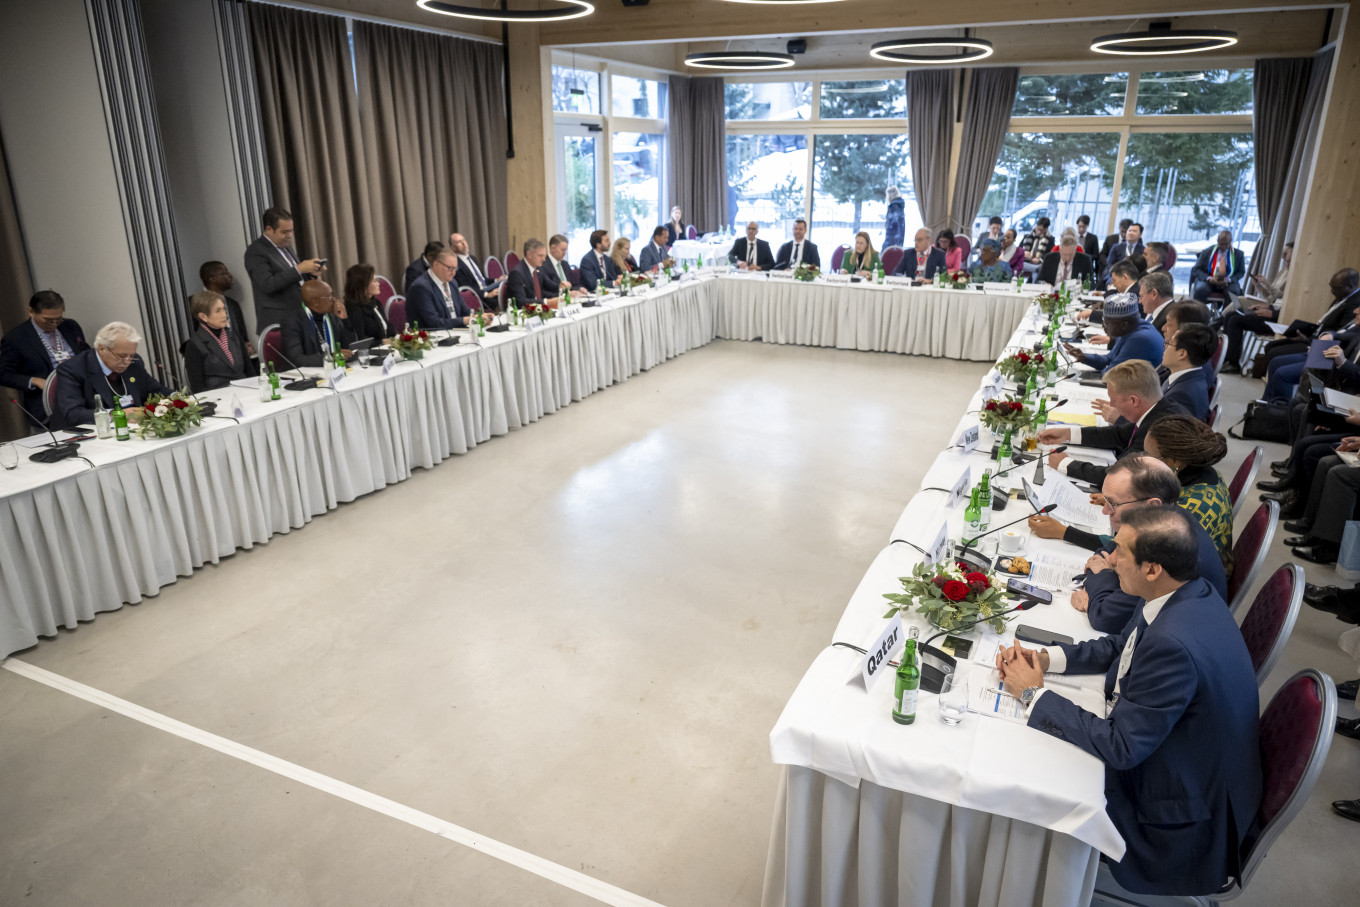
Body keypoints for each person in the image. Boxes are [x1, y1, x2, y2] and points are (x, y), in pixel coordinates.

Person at [998, 505, 1260, 897]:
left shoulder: (1175, 644)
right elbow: (1122, 647)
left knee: (1020, 785)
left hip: (1176, 826)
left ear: (1152, 567)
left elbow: (1122, 747)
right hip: (1182, 764)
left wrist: (1033, 693)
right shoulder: (1182, 590)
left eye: (1119, 551)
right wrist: (1045, 659)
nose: (1109, 560)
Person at [1028, 456, 1228, 629]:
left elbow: (1105, 617)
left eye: (1112, 503)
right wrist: (1102, 575)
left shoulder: (1163, 545)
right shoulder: (1158, 519)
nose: (1105, 511)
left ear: (1151, 505)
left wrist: (1103, 575)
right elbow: (1101, 555)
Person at [1040, 359, 1185, 486]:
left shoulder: (1158, 431)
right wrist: (1068, 434)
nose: (1111, 404)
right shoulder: (1160, 408)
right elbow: (1119, 434)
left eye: (1113, 400)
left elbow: (1121, 477)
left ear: (1133, 400)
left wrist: (1066, 464)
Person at [1144, 415, 1235, 572]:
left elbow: (1149, 556)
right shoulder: (1202, 472)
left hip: (1193, 581)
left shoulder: (1193, 509)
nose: (1143, 461)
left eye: (1149, 456)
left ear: (1176, 462)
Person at [1239, 267, 1360, 377]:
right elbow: (1326, 324)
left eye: (1336, 288)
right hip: (1313, 336)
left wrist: (1308, 340)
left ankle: (1279, 393)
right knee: (1270, 346)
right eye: (1331, 287)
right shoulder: (1342, 296)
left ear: (1350, 286)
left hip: (1321, 346)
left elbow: (1339, 334)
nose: (1332, 291)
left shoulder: (1354, 304)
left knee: (1275, 355)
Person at [51, 321, 170, 430]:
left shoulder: (135, 362)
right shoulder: (73, 369)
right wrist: (115, 414)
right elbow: (73, 414)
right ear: (102, 349)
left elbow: (156, 391)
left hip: (131, 429)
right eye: (122, 356)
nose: (128, 361)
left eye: (131, 355)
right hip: (88, 434)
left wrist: (180, 399)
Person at [0, 290, 90, 421]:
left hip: (83, 396)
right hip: (47, 405)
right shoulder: (16, 338)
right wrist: (35, 381)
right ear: (31, 312)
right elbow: (3, 374)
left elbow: (85, 354)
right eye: (47, 320)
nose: (54, 324)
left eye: (58, 319)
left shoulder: (70, 326)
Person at [243, 206, 324, 330]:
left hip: (299, 317)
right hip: (278, 322)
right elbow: (267, 284)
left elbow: (294, 279)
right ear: (269, 229)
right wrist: (299, 269)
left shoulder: (285, 246)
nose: (289, 235)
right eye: (284, 232)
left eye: (291, 231)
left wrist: (311, 273)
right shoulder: (255, 251)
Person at [1221, 243, 1292, 367]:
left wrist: (1272, 311)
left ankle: (1232, 362)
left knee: (1235, 320)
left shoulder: (1295, 277)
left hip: (1278, 318)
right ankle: (1226, 357)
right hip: (1272, 308)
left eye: (1286, 254)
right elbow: (1274, 299)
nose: (1283, 257)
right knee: (1231, 315)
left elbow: (1285, 301)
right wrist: (1259, 286)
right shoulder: (1283, 272)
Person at [1065, 294, 1164, 376]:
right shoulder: (1130, 327)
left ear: (1124, 324)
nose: (1103, 327)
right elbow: (1110, 358)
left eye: (1106, 323)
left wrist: (1105, 366)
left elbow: (1110, 375)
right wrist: (1085, 358)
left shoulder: (1139, 339)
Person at [182, 290, 249, 392]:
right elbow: (198, 388)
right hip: (218, 398)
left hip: (246, 393)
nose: (224, 315)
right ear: (203, 316)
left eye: (224, 309)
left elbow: (250, 372)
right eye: (218, 311)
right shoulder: (194, 345)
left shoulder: (235, 337)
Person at [282, 280, 357, 368]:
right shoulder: (292, 322)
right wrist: (330, 357)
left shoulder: (332, 317)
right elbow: (297, 359)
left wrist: (344, 319)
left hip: (336, 369)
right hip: (309, 374)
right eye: (329, 296)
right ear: (315, 302)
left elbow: (350, 346)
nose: (334, 300)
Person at [407, 249, 481, 332]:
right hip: (433, 337)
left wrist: (479, 316)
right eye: (450, 268)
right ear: (436, 265)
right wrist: (464, 320)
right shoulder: (421, 287)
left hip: (455, 332)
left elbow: (464, 310)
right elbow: (434, 323)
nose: (454, 273)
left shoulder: (453, 282)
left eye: (455, 269)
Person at [1157, 323, 1215, 421]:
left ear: (1181, 353)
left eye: (1169, 343)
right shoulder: (1194, 377)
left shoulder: (1180, 396)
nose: (1165, 347)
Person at [198, 261, 255, 358]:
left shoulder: (233, 304)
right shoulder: (194, 304)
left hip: (238, 359)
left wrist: (246, 346)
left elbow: (243, 336)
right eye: (224, 273)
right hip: (212, 360)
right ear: (212, 279)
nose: (230, 276)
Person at [339, 264, 390, 346]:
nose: (378, 283)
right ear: (363, 285)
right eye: (375, 281)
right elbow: (360, 340)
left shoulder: (376, 303)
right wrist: (383, 342)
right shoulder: (353, 309)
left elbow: (387, 328)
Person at [450, 232, 502, 310]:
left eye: (463, 240)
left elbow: (482, 279)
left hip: (487, 288)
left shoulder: (472, 258)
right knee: (504, 296)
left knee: (506, 282)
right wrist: (487, 294)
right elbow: (466, 288)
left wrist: (496, 280)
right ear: (453, 248)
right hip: (478, 295)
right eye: (459, 242)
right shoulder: (456, 264)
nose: (463, 243)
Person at [1190, 230, 1246, 302]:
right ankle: (1201, 311)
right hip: (1208, 279)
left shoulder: (1239, 254)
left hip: (1229, 281)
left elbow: (1241, 272)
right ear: (1217, 241)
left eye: (1225, 244)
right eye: (1220, 244)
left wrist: (1229, 279)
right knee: (1200, 289)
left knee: (1234, 292)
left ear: (1230, 241)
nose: (1222, 246)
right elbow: (1196, 269)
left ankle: (1226, 313)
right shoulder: (1207, 252)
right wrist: (1209, 278)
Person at [507, 239, 551, 308]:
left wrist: (559, 298)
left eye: (544, 256)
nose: (544, 259)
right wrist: (546, 302)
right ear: (529, 255)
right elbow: (521, 301)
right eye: (540, 256)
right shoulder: (517, 273)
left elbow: (541, 293)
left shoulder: (538, 269)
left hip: (537, 309)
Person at [540, 234, 585, 298]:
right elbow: (545, 291)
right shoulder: (543, 265)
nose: (564, 253)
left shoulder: (565, 264)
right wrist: (564, 296)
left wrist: (579, 289)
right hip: (555, 301)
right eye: (562, 250)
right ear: (552, 248)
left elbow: (570, 285)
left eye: (565, 250)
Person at [1138, 270, 1176, 335]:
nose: (1139, 301)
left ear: (1154, 294)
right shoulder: (1164, 312)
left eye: (1141, 296)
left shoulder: (1171, 318)